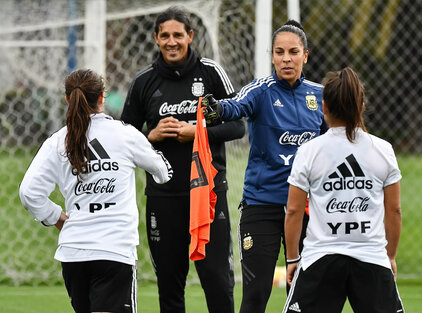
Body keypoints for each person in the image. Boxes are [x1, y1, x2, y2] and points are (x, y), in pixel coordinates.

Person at [120, 6, 245, 313]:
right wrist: (151, 135)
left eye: (178, 35)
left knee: (217, 281)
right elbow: (123, 136)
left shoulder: (210, 73)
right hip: (163, 197)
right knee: (170, 286)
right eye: (165, 36)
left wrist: (197, 132)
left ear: (190, 36)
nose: (172, 42)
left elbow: (238, 125)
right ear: (155, 39)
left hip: (207, 195)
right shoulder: (144, 82)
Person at [19, 69, 173, 313]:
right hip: (114, 251)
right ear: (102, 97)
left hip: (74, 254)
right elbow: (163, 173)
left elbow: (29, 193)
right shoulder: (125, 135)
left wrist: (56, 217)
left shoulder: (58, 140)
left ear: (68, 99)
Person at [203, 20, 327, 313]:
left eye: (293, 52)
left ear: (305, 55)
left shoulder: (321, 95)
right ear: (271, 55)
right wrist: (217, 109)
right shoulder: (260, 91)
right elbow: (236, 106)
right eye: (280, 52)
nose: (286, 58)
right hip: (263, 207)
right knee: (256, 295)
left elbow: (336, 138)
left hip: (309, 210)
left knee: (305, 297)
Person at [283, 67, 405, 313]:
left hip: (320, 258)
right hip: (372, 258)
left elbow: (294, 211)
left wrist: (293, 258)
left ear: (324, 107)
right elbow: (394, 210)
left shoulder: (310, 151)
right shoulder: (383, 149)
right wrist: (389, 256)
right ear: (361, 105)